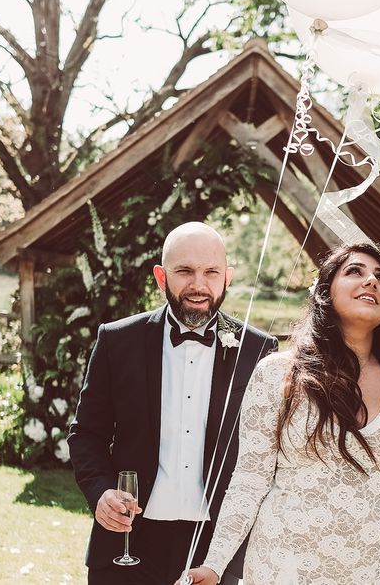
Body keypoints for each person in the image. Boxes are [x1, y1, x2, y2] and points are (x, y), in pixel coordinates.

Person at [181, 242, 380, 585]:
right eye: (355, 272)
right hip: (281, 567)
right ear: (325, 291)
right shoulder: (277, 374)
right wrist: (215, 564)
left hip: (374, 571)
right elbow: (249, 479)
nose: (371, 281)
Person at [68, 222, 278, 585]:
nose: (199, 284)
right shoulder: (118, 341)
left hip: (218, 547)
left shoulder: (259, 351)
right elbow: (87, 434)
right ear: (161, 277)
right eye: (185, 271)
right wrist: (101, 491)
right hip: (128, 542)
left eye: (211, 272)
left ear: (226, 277)